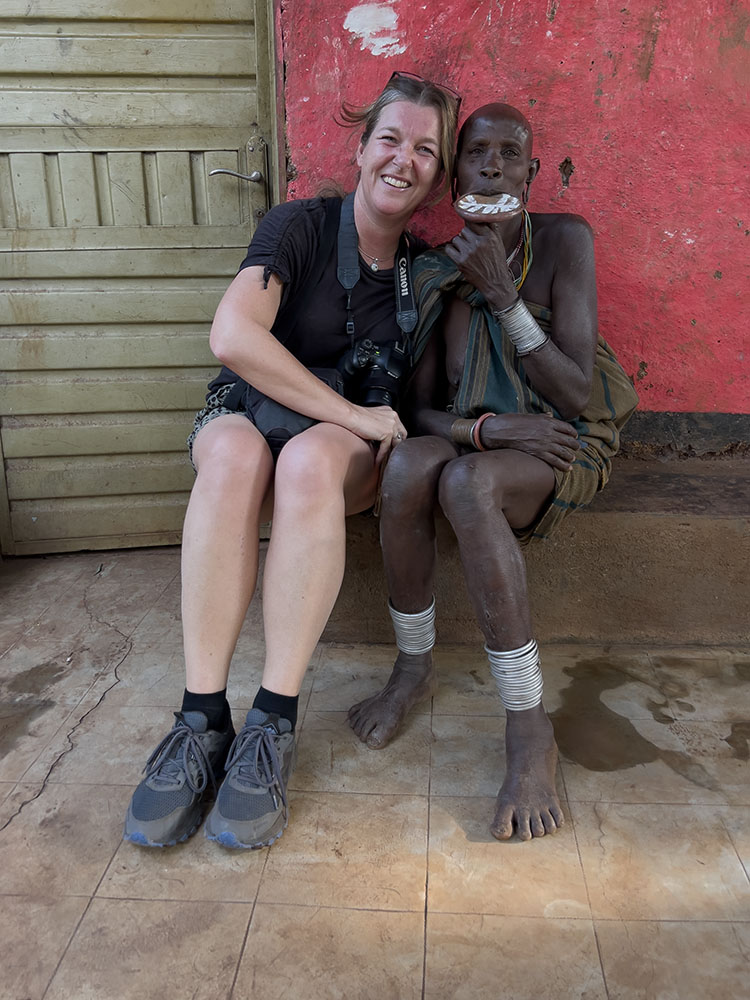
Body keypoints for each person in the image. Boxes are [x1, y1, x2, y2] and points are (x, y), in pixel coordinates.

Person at [123, 73, 460, 850]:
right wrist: (351, 410)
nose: (403, 159)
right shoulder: (299, 225)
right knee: (233, 454)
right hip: (252, 412)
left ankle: (272, 722)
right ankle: (201, 719)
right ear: (361, 148)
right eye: (390, 139)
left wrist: (358, 424)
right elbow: (232, 335)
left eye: (425, 150)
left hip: (336, 459)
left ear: (437, 177)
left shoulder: (424, 274)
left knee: (308, 461)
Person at [348, 102, 639, 842]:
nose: (493, 166)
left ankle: (527, 725)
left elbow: (573, 392)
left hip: (560, 441)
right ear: (455, 180)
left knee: (468, 483)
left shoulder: (565, 242)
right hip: (480, 435)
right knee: (411, 467)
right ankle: (413, 667)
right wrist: (483, 428)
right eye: (477, 152)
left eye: (511, 154)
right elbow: (417, 412)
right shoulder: (433, 270)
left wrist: (505, 295)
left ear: (531, 173)